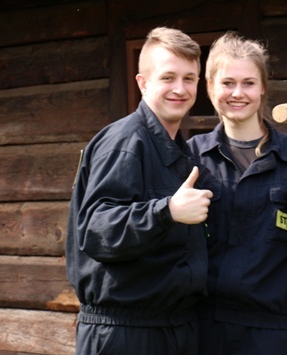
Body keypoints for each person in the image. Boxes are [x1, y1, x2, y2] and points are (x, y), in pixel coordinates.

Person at [187, 32, 287, 355]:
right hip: (200, 325)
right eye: (227, 83)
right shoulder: (193, 157)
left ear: (263, 88)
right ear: (210, 88)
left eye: (248, 83)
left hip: (267, 332)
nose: (238, 93)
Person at [65, 27, 213, 355]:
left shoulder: (180, 151)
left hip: (173, 327)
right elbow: (96, 228)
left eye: (189, 79)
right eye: (168, 77)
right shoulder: (125, 143)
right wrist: (167, 212)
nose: (180, 88)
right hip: (125, 334)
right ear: (143, 83)